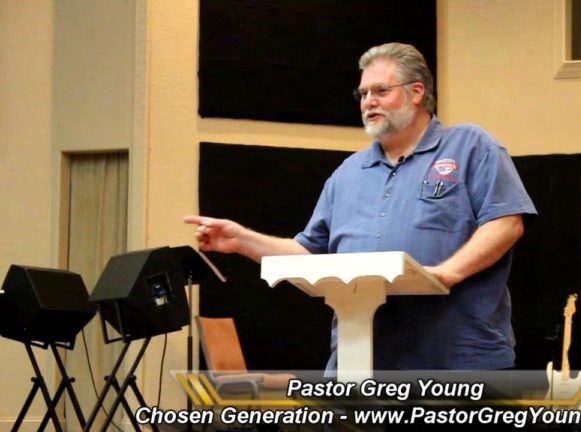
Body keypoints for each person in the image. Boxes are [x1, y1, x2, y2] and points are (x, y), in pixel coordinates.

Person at [185, 42, 536, 372]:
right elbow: (308, 253)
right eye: (363, 93)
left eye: (381, 91)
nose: (369, 102)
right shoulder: (348, 173)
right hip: (360, 364)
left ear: (417, 92)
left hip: (456, 360)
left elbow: (506, 222)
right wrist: (242, 240)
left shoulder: (470, 145)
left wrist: (446, 274)